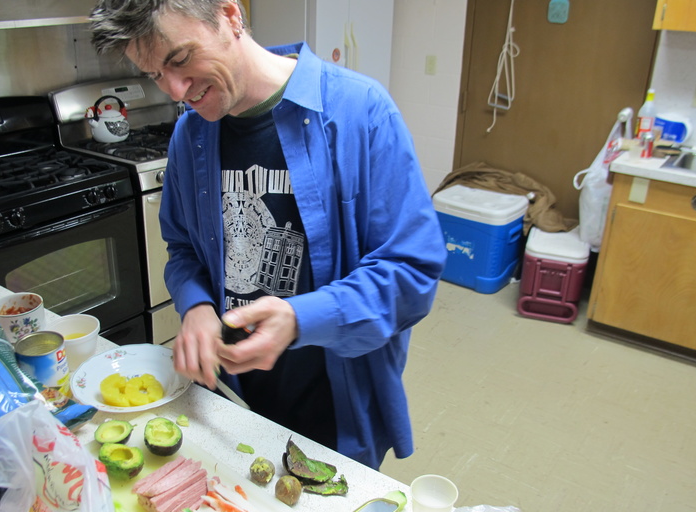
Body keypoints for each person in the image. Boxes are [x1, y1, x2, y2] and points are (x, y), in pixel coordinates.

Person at [90, 0, 447, 470]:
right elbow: (182, 249)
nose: (176, 89)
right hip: (229, 399)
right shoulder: (189, 136)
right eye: (155, 74)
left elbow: (411, 273)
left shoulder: (360, 111)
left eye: (179, 59)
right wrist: (195, 304)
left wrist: (300, 318)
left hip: (334, 403)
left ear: (230, 16)